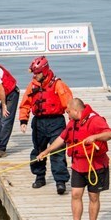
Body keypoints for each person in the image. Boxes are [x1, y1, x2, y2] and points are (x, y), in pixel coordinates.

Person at [37, 98, 111, 220]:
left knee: (93, 196)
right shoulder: (72, 123)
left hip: (95, 166)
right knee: (75, 194)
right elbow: (61, 139)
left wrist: (95, 137)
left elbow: (109, 134)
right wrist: (46, 152)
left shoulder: (95, 120)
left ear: (76, 111)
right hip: (78, 165)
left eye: (68, 111)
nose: (67, 114)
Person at [19, 56, 73, 194]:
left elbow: (68, 102)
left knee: (58, 151)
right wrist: (23, 120)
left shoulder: (58, 84)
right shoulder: (33, 86)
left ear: (44, 71)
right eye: (34, 73)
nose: (35, 76)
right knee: (38, 150)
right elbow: (25, 104)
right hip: (39, 123)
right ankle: (40, 176)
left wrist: (73, 120)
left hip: (56, 121)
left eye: (37, 73)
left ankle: (60, 181)